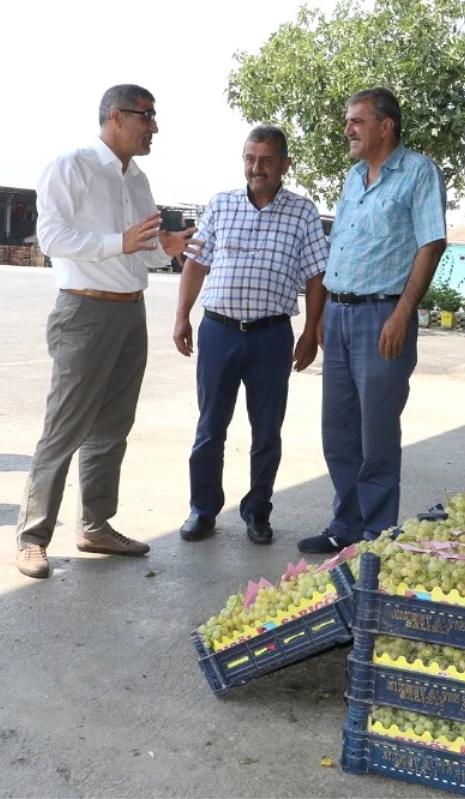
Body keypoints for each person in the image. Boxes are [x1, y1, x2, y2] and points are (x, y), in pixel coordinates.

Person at [14, 84, 201, 579]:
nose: (154, 127)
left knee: (112, 427)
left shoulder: (138, 180)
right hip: (85, 311)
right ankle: (32, 538)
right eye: (148, 116)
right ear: (117, 117)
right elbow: (52, 238)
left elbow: (140, 249)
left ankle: (95, 525)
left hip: (129, 312)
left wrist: (167, 247)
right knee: (65, 428)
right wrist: (119, 241)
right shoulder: (70, 167)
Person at [297, 87, 447, 555]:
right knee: (338, 431)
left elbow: (431, 244)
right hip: (339, 315)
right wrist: (320, 314)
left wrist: (402, 313)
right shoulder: (353, 177)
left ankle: (375, 536)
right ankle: (345, 525)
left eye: (356, 122)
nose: (348, 130)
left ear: (386, 126)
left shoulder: (420, 173)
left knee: (376, 432)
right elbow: (339, 245)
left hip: (383, 315)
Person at [173, 125, 329, 546]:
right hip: (219, 331)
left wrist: (311, 332)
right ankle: (202, 510)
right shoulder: (221, 205)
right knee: (210, 428)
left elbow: (317, 275)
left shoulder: (303, 212)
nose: (255, 168)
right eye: (249, 159)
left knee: (266, 432)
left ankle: (258, 510)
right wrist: (182, 315)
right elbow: (196, 262)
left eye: (265, 160)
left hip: (271, 337)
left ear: (285, 165)